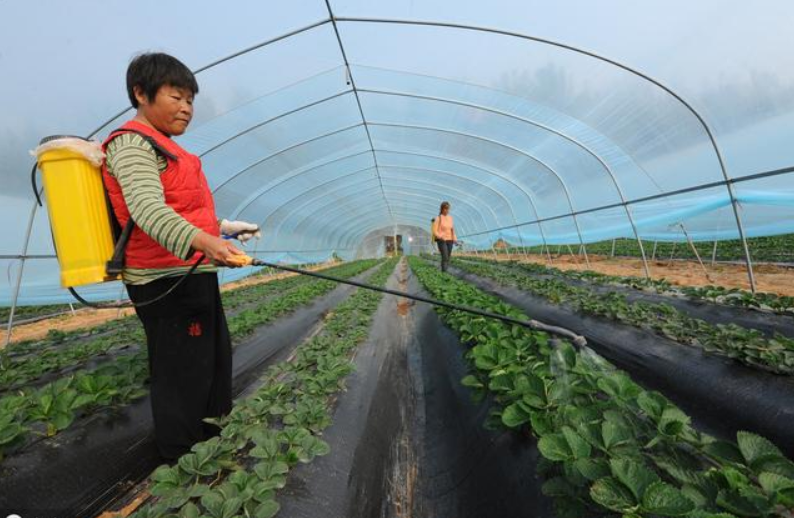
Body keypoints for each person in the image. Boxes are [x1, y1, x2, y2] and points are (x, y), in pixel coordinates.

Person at [101, 53, 261, 460]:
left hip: (190, 271)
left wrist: (223, 229)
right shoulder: (131, 144)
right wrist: (207, 243)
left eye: (191, 99)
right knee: (182, 378)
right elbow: (148, 211)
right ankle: (182, 465)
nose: (187, 108)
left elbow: (180, 207)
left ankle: (211, 449)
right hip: (163, 280)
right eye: (176, 96)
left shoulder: (166, 148)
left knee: (213, 365)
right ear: (141, 93)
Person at [432, 201, 458, 272]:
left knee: (448, 257)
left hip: (450, 240)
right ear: (442, 209)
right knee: (445, 256)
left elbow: (452, 229)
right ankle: (444, 272)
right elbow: (434, 230)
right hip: (441, 240)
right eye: (445, 209)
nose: (447, 210)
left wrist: (455, 239)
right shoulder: (438, 218)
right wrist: (440, 236)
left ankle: (445, 272)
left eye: (448, 209)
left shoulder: (450, 218)